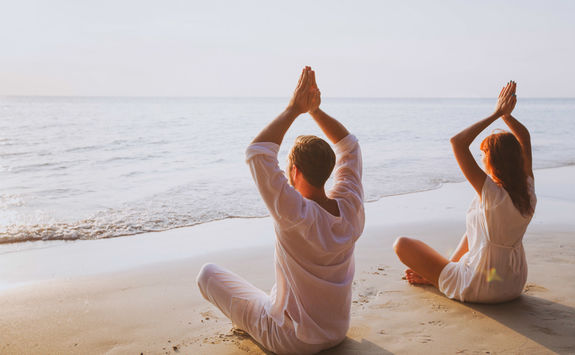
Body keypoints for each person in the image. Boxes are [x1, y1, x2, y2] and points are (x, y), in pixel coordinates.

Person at [196, 66, 365, 354]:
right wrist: (315, 111)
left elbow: (257, 152)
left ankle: (256, 321)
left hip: (293, 341)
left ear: (294, 171)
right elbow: (349, 148)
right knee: (275, 294)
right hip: (337, 331)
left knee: (207, 275)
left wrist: (294, 109)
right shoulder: (351, 207)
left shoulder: (294, 213)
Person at [393, 81, 536, 303]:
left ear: (493, 161)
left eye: (484, 154)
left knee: (401, 244)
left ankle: (440, 277)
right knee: (476, 224)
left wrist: (497, 112)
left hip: (482, 286)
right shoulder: (527, 192)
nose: (481, 159)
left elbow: (457, 143)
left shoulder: (492, 195)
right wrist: (507, 116)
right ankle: (444, 272)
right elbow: (524, 139)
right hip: (513, 282)